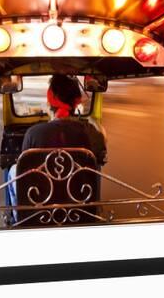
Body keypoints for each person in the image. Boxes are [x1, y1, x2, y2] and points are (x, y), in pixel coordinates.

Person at [6, 74, 107, 217]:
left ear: (49, 102)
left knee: (14, 170)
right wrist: (96, 127)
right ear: (76, 103)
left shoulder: (33, 133)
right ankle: (93, 211)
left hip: (39, 211)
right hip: (80, 210)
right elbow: (102, 154)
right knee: (94, 166)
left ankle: (18, 218)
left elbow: (26, 172)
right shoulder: (90, 132)